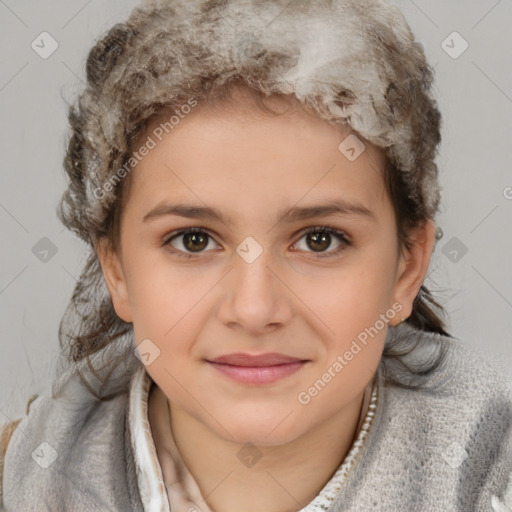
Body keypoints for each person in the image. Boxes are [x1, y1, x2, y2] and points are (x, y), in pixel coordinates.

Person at [1, 0, 511, 510]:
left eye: (319, 240)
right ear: (118, 272)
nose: (253, 309)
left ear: (406, 269)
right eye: (193, 240)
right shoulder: (21, 482)